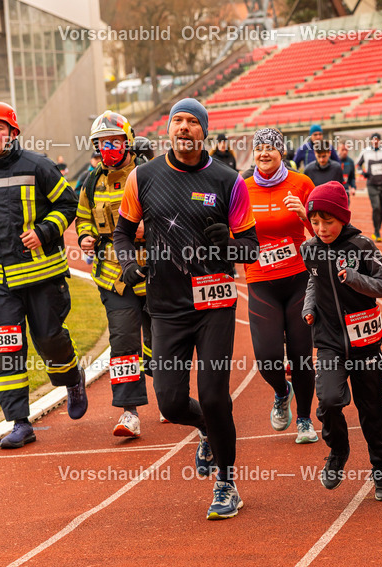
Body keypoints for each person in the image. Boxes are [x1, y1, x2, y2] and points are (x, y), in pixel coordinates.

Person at [114, 97, 258, 520]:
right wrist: (128, 264)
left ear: (204, 132)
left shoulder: (229, 180)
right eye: (177, 120)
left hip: (214, 302)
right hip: (166, 306)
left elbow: (251, 247)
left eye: (192, 122)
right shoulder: (143, 177)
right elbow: (123, 233)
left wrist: (227, 244)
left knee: (214, 396)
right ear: (169, 130)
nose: (183, 128)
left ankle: (227, 483)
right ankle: (205, 432)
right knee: (172, 403)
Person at [0, 101, 86, 449]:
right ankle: (19, 422)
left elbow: (68, 203)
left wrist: (45, 231)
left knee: (49, 339)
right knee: (5, 348)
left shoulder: (39, 166)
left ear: (13, 133)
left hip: (43, 276)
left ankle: (72, 378)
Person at [300, 181, 382, 501]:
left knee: (373, 412)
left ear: (342, 217)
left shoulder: (361, 246)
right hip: (328, 341)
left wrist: (356, 279)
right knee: (328, 401)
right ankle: (338, 449)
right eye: (315, 222)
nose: (321, 228)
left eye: (327, 221)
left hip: (365, 343)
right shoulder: (310, 249)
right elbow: (314, 282)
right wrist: (308, 306)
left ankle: (381, 467)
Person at [76, 110, 153, 438]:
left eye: (115, 141)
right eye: (102, 143)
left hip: (154, 271)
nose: (108, 148)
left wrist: (150, 229)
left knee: (160, 342)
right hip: (113, 275)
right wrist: (85, 236)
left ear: (128, 142)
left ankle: (163, 381)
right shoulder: (91, 181)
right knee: (123, 341)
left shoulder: (149, 174)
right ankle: (129, 412)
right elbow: (82, 217)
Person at [244, 128, 318, 443]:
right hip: (261, 282)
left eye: (270, 148)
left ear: (282, 152)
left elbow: (324, 232)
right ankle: (280, 390)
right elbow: (234, 232)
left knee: (302, 354)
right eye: (259, 148)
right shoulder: (241, 188)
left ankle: (304, 419)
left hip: (299, 278)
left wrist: (305, 214)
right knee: (267, 358)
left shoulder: (302, 184)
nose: (264, 153)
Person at [356, 133, 382, 242]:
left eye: (377, 140)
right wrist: (363, 173)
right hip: (372, 184)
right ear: (371, 141)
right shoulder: (365, 152)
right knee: (376, 207)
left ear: (380, 141)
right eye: (373, 140)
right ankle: (376, 231)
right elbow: (358, 165)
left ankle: (377, 229)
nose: (375, 142)